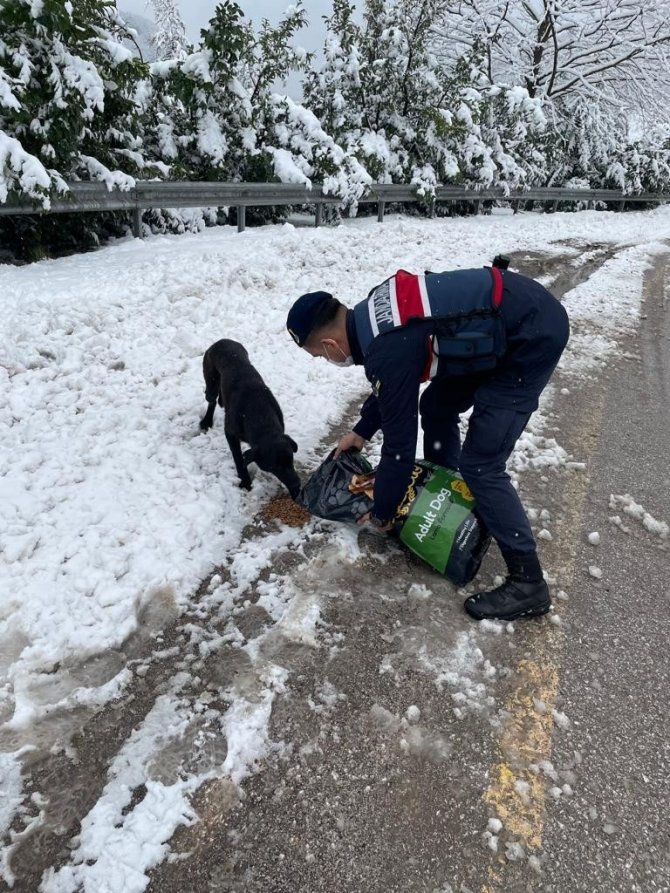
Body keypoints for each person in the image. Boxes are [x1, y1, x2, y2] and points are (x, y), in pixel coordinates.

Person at [286, 261, 569, 621]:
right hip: (505, 315)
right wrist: (361, 431)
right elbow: (392, 387)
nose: (328, 360)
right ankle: (453, 496)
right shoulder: (374, 312)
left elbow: (400, 447)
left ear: (330, 343)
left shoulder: (386, 349)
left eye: (321, 356)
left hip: (531, 335)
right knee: (436, 404)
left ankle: (529, 583)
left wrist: (384, 512)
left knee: (483, 464)